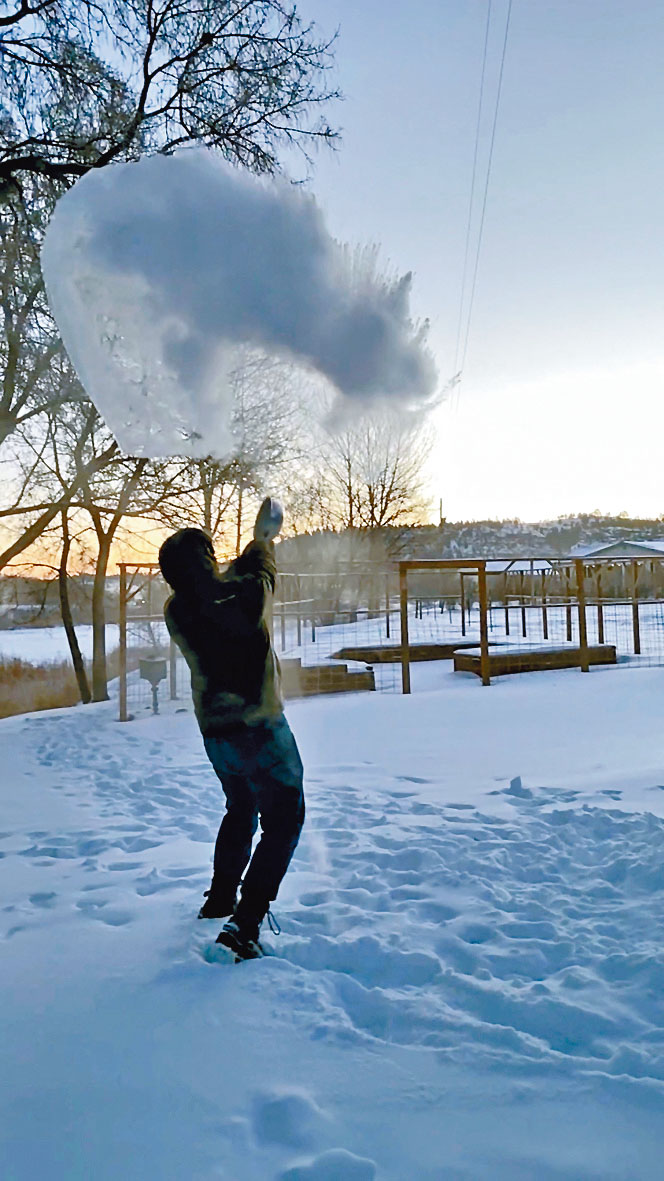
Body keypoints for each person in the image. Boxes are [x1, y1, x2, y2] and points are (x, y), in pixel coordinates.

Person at [158, 498, 304, 960]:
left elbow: (223, 586)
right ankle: (244, 926)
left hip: (217, 736)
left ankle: (222, 898)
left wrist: (250, 552)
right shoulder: (239, 597)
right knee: (283, 820)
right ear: (204, 562)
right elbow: (256, 583)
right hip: (259, 729)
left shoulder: (177, 611)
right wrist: (262, 541)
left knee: (241, 808)